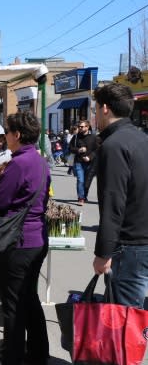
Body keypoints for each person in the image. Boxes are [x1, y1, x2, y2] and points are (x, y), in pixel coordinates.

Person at [0, 112, 50, 365]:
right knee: (29, 298)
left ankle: (12, 355)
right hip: (37, 239)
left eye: (8, 132)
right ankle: (38, 353)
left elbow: (0, 201)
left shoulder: (18, 164)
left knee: (13, 303)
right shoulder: (40, 161)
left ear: (17, 135)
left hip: (19, 242)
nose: (6, 137)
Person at [92, 83, 148, 309]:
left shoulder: (113, 145)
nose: (95, 115)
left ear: (105, 108)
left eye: (95, 109)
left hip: (129, 246)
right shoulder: (142, 139)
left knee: (125, 322)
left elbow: (113, 203)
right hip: (141, 241)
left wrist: (102, 253)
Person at [68, 120, 97, 205]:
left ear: (87, 127)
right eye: (79, 126)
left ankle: (84, 196)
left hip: (90, 163)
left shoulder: (93, 137)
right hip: (79, 162)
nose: (79, 128)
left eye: (82, 126)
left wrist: (89, 157)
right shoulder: (76, 137)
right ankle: (81, 198)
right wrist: (78, 150)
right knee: (80, 180)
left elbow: (97, 150)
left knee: (87, 182)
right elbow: (70, 148)